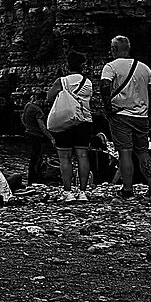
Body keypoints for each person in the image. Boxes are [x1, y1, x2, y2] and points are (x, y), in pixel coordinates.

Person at [97, 35, 151, 199]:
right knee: (143, 152)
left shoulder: (110, 67)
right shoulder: (144, 68)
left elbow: (104, 87)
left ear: (114, 49)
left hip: (120, 115)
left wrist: (108, 109)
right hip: (142, 116)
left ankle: (127, 189)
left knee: (125, 152)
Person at [45, 52, 98, 200]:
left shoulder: (62, 81)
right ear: (83, 65)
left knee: (65, 158)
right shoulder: (88, 82)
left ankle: (68, 192)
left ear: (67, 65)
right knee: (82, 155)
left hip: (65, 122)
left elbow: (49, 97)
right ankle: (82, 192)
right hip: (84, 121)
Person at [19, 88, 52, 188]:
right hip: (36, 136)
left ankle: (30, 181)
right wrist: (51, 138)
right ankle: (34, 181)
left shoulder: (28, 105)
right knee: (37, 159)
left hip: (28, 134)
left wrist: (27, 127)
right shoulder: (38, 110)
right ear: (41, 100)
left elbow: (22, 118)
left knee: (33, 159)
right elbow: (42, 126)